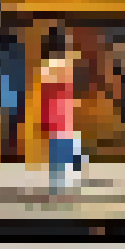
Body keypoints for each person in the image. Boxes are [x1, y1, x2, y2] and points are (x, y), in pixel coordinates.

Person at [39, 27, 85, 197]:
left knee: (59, 149)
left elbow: (47, 93)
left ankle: (60, 185)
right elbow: (67, 89)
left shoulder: (47, 66)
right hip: (63, 112)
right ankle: (68, 183)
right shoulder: (65, 64)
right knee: (67, 146)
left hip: (53, 113)